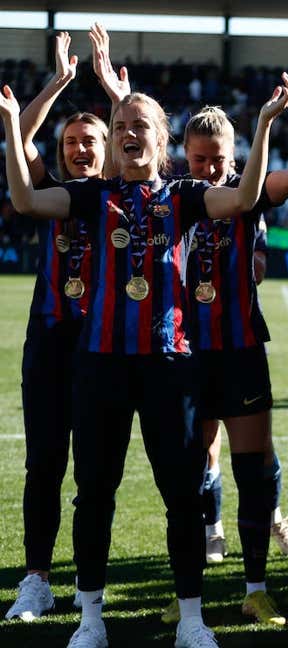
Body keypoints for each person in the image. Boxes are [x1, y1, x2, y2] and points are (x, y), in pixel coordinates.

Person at [1, 72, 288, 648]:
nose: (128, 133)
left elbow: (241, 197)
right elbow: (25, 199)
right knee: (95, 492)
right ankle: (91, 620)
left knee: (182, 495)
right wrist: (13, 127)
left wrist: (262, 127)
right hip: (101, 365)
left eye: (140, 126)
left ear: (162, 142)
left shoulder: (184, 196)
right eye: (120, 127)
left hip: (168, 364)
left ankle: (191, 620)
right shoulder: (92, 196)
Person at [160, 57, 288, 626]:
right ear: (185, 155)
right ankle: (185, 594)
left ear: (233, 155)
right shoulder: (172, 195)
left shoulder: (245, 189)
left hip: (240, 350)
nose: (209, 170)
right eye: (199, 159)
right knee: (186, 475)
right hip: (182, 353)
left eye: (218, 159)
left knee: (252, 467)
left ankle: (255, 588)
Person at [5, 32, 105, 623]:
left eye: (87, 141)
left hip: (103, 345)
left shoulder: (120, 192)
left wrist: (112, 92)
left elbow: (128, 140)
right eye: (69, 142)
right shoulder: (49, 190)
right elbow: (19, 140)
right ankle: (36, 577)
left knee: (94, 469)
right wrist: (59, 83)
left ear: (105, 148)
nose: (77, 150)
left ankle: (87, 583)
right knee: (44, 461)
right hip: (48, 340)